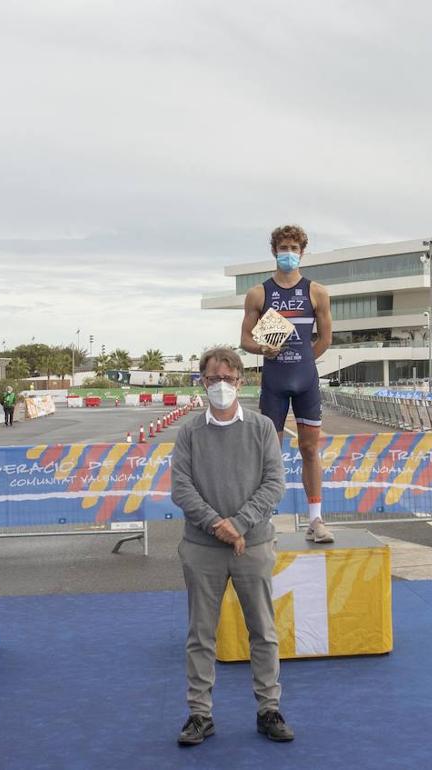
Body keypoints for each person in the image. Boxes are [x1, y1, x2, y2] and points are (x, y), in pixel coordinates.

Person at [170, 347, 293, 746]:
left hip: (253, 544)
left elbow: (274, 484)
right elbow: (181, 487)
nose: (220, 385)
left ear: (242, 380)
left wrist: (238, 524)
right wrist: (216, 525)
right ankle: (199, 714)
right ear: (202, 381)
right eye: (212, 378)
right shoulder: (189, 431)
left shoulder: (261, 428)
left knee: (263, 631)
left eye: (228, 377)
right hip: (201, 548)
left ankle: (268, 709)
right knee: (200, 634)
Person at [240, 224, 335, 543]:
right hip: (275, 381)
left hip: (305, 379)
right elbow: (245, 340)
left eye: (294, 249)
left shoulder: (317, 291)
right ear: (274, 252)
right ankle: (264, 519)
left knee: (310, 448)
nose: (289, 254)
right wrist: (262, 348)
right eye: (284, 249)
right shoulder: (259, 293)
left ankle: (316, 519)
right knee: (270, 452)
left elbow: (325, 338)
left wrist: (305, 360)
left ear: (302, 252)